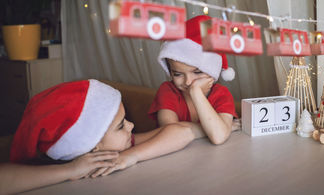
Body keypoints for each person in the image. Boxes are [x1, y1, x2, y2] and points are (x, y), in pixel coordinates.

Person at [0, 79, 197, 194]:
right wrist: (70, 171)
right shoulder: (52, 168)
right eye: (121, 125)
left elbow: (183, 132)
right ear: (93, 146)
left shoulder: (116, 150)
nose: (131, 125)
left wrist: (131, 156)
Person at [148, 15, 239, 145]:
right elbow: (171, 134)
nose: (188, 82)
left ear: (212, 70)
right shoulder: (168, 91)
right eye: (178, 74)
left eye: (197, 72)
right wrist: (221, 127)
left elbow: (218, 137)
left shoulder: (222, 94)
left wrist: (196, 93)